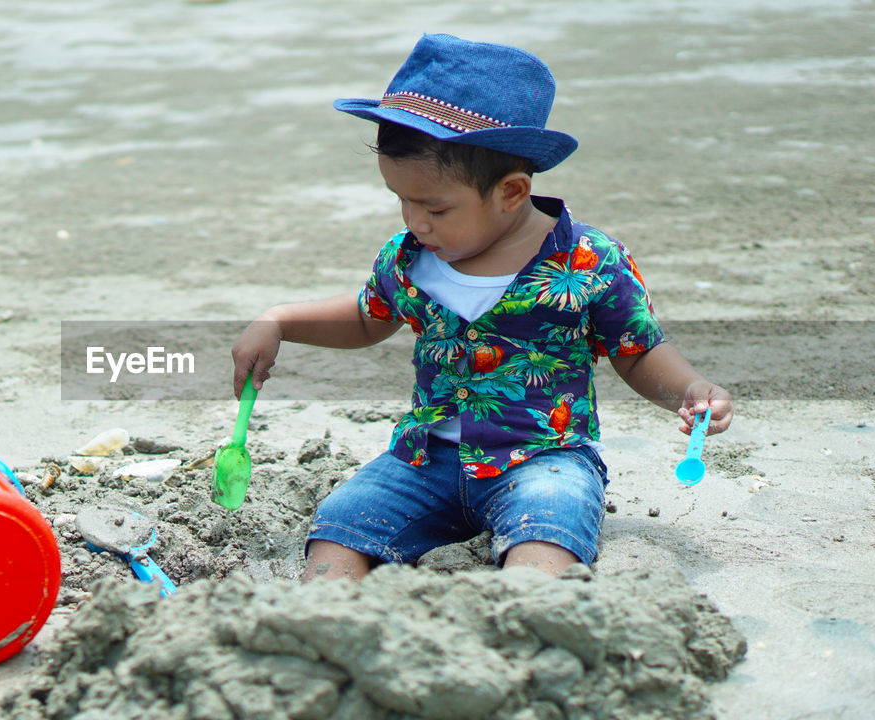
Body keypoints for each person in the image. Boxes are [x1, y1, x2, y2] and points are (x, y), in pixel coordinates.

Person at [230, 34, 733, 582]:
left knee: (550, 521)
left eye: (436, 208)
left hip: (544, 457)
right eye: (401, 201)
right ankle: (321, 615)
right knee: (341, 523)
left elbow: (636, 352)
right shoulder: (409, 259)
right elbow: (365, 318)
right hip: (422, 462)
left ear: (513, 193)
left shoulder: (589, 261)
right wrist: (279, 320)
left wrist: (687, 390)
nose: (415, 222)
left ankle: (526, 601)